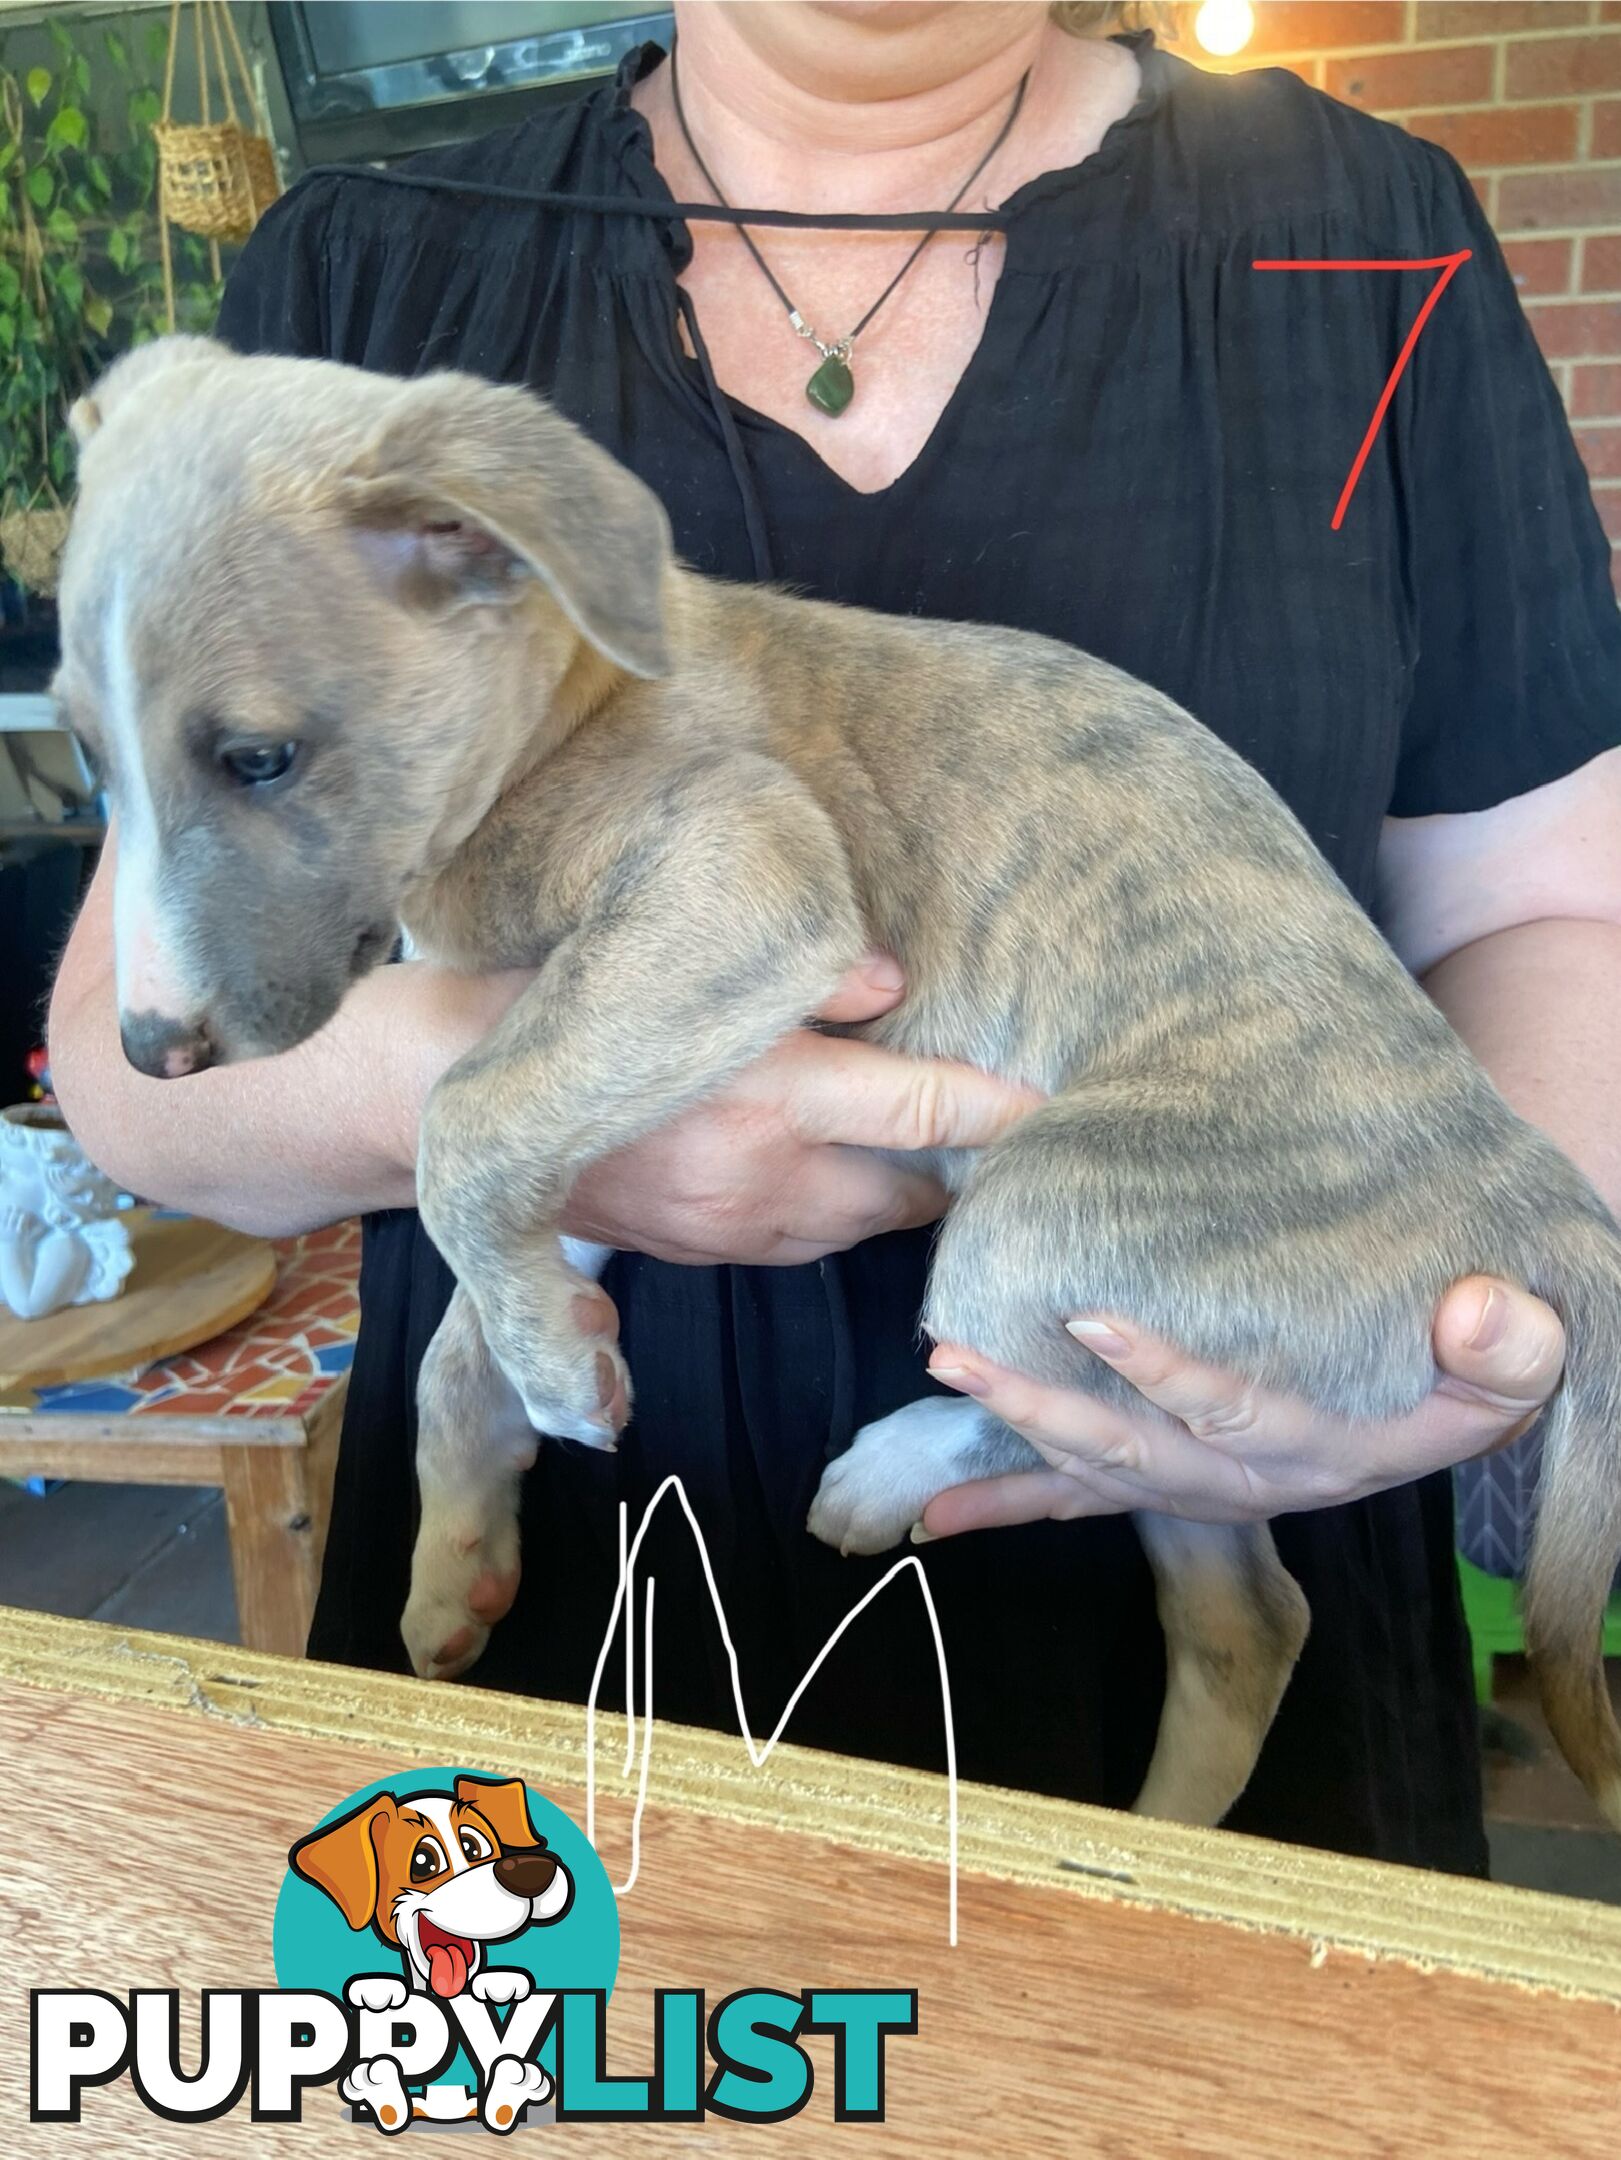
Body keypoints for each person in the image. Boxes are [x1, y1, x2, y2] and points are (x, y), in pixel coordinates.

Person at [50, 3, 1621, 1873]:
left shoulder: (1364, 237)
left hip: (1203, 1303)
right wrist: (471, 1111)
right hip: (591, 1596)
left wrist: (1443, 1344)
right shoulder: (359, 259)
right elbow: (137, 1070)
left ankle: (1196, 1749)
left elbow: (1547, 907)